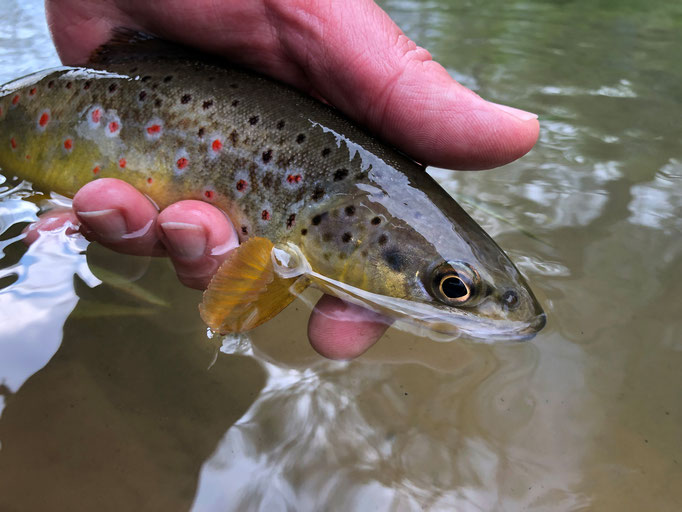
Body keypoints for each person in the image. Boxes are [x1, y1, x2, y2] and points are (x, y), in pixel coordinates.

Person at [38, 0, 539, 359]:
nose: (457, 299)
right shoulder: (319, 218)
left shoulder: (329, 216)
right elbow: (235, 306)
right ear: (349, 228)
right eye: (450, 287)